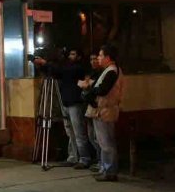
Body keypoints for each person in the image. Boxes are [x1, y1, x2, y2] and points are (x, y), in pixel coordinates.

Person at [35, 48, 92, 168]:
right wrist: (42, 66)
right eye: (70, 54)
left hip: (75, 103)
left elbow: (62, 71)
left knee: (78, 132)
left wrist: (45, 62)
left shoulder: (78, 68)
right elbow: (55, 73)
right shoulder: (66, 67)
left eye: (73, 54)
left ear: (79, 57)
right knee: (70, 132)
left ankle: (84, 158)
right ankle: (73, 157)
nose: (70, 56)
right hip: (65, 102)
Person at [81, 44, 124, 182]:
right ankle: (106, 169)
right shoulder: (109, 70)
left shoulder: (111, 71)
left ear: (108, 57)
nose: (98, 58)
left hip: (105, 111)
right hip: (104, 110)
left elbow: (103, 90)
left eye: (100, 55)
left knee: (106, 143)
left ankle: (109, 171)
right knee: (104, 142)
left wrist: (91, 92)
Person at [85, 52, 103, 171]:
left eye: (96, 58)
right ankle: (99, 159)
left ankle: (102, 161)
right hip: (89, 106)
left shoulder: (102, 73)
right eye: (91, 59)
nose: (93, 61)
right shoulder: (91, 73)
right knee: (91, 136)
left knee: (99, 137)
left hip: (97, 106)